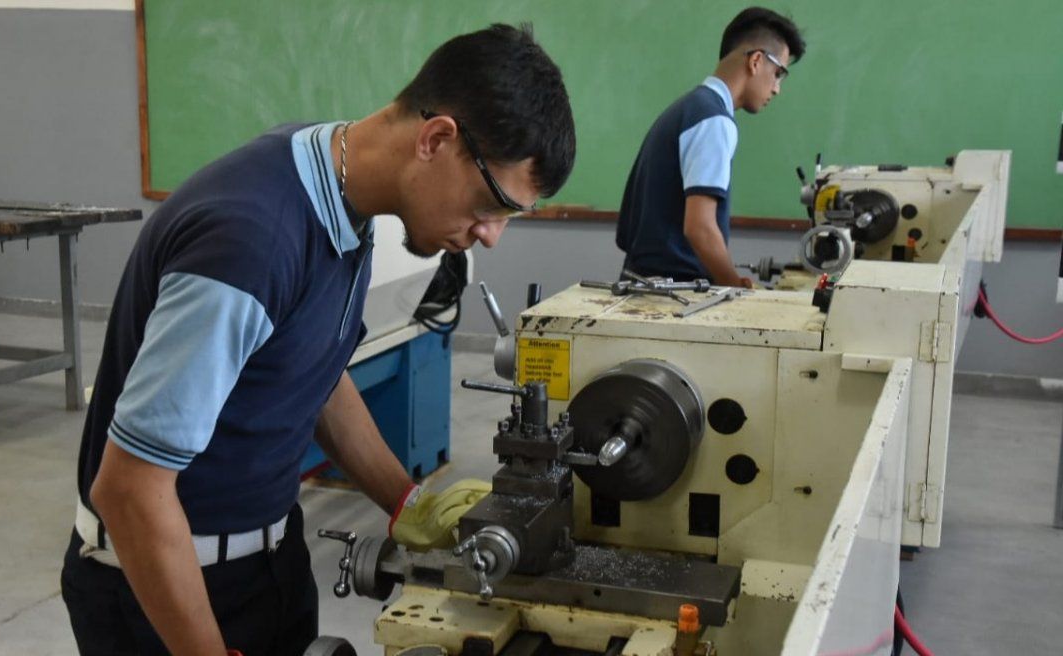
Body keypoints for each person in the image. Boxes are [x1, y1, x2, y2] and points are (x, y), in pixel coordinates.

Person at [60, 23, 575, 656]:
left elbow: (314, 375)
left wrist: (407, 504)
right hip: (158, 594)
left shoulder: (342, 196)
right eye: (493, 204)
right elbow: (131, 489)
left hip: (268, 565)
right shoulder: (250, 241)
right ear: (437, 139)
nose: (492, 235)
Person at [615, 7, 805, 286]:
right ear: (756, 61)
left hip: (644, 283)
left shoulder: (688, 108)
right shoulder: (714, 120)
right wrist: (734, 286)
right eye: (779, 73)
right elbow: (700, 227)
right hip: (674, 294)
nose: (777, 89)